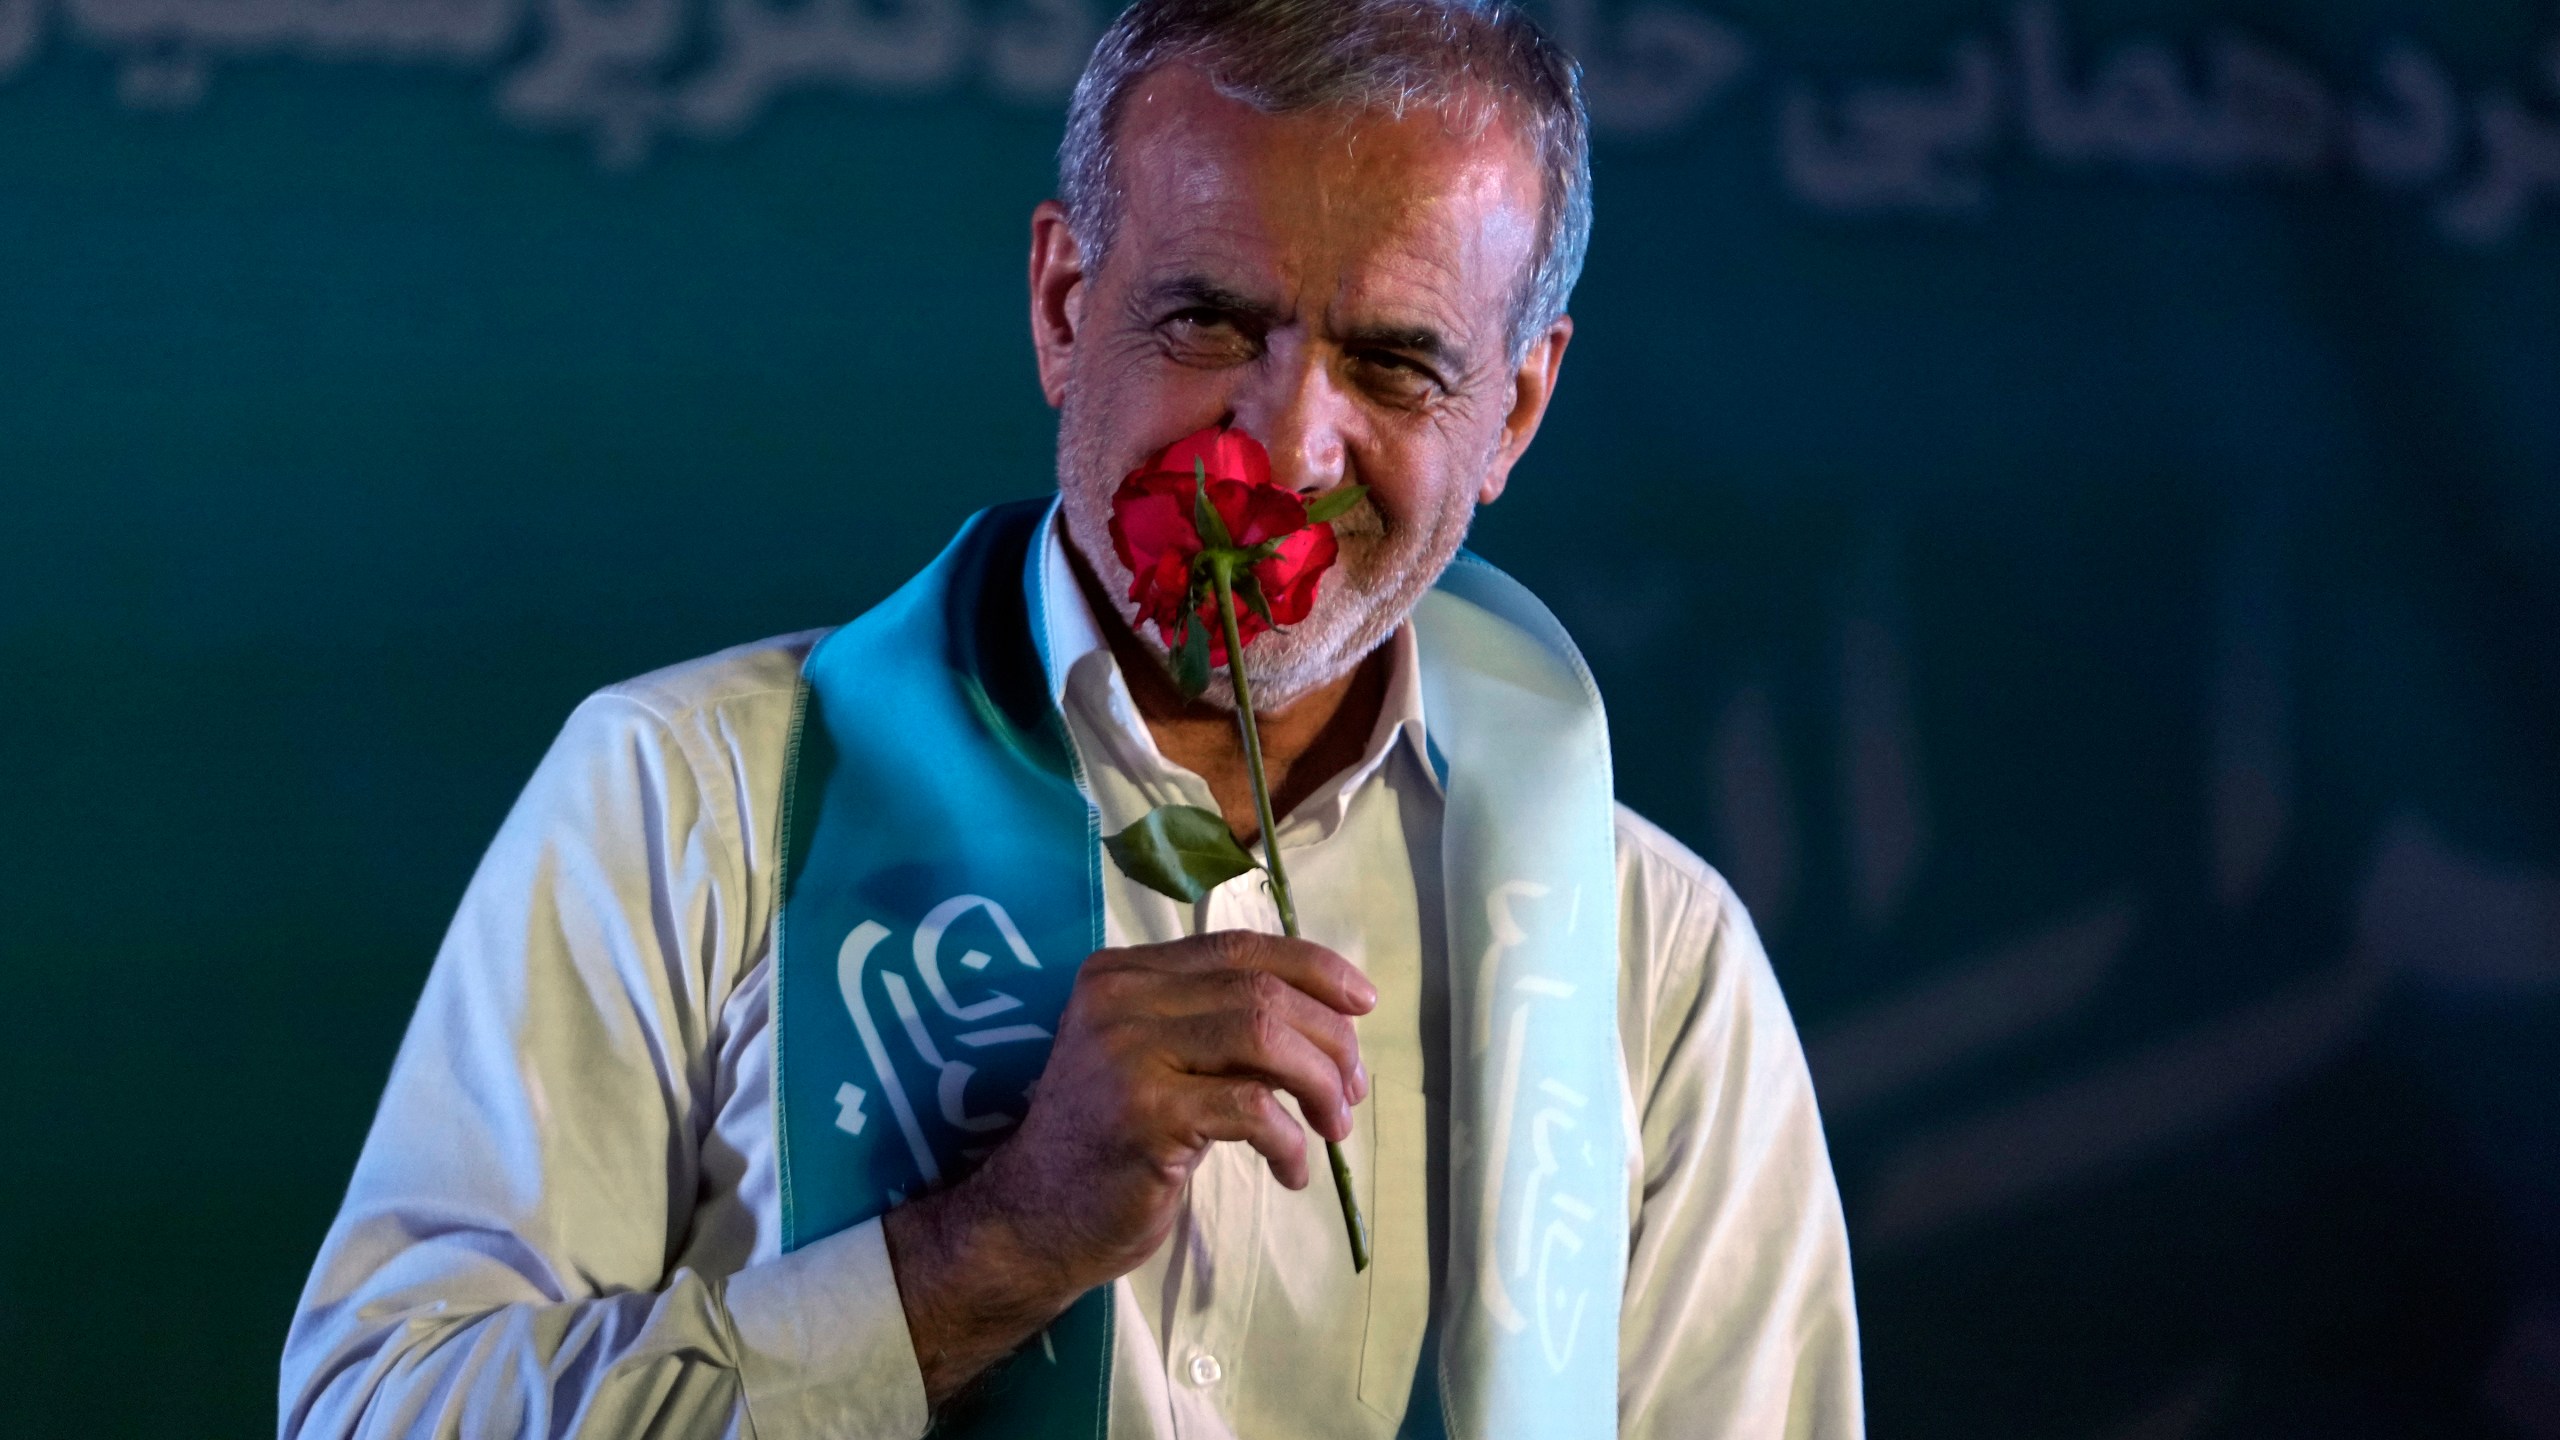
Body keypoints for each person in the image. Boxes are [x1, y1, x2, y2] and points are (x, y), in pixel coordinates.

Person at [279, 2, 1863, 1437]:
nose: (1289, 447)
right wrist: (989, 1247)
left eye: (1394, 364)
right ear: (1059, 303)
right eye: (1213, 324)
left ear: (1514, 408)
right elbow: (372, 1416)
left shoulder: (1645, 962)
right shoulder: (687, 796)